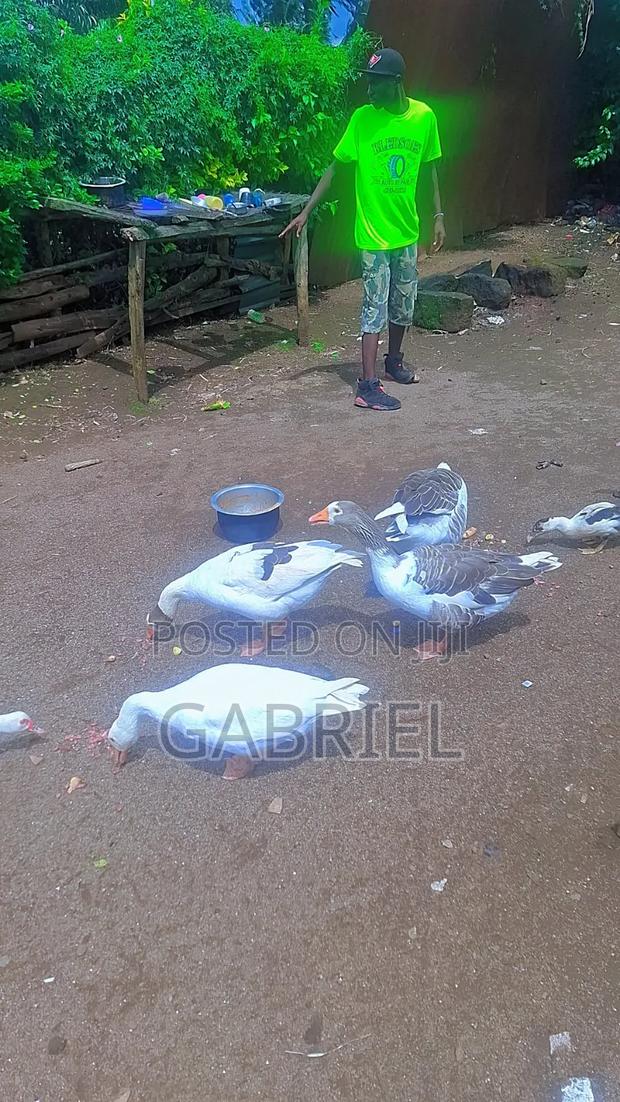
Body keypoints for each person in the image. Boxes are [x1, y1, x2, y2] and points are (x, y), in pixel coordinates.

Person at [281, 48, 446, 412]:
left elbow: (430, 167)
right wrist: (307, 211)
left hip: (407, 231)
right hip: (372, 234)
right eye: (368, 83)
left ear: (396, 83)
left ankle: (394, 362)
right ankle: (367, 386)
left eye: (376, 84)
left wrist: (438, 215)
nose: (369, 91)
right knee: (375, 305)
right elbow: (334, 168)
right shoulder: (361, 120)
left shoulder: (424, 117)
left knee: (404, 303)